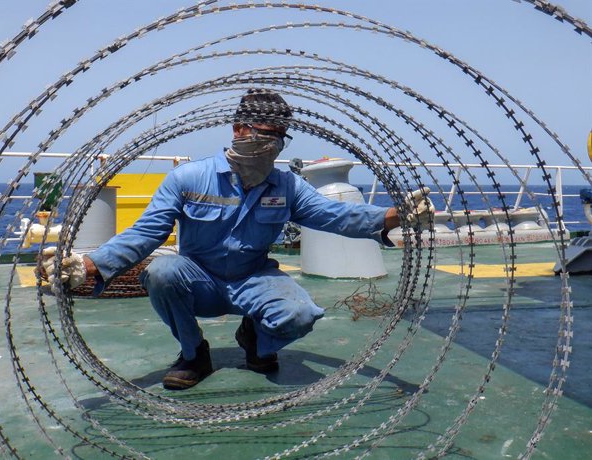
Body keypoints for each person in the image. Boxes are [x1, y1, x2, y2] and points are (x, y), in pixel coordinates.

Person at [41, 89, 434, 390]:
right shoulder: (187, 178)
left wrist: (393, 216)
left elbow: (334, 216)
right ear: (239, 130)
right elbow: (146, 233)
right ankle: (194, 355)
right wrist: (91, 265)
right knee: (161, 272)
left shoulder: (287, 185)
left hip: (254, 277)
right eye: (263, 134)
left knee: (300, 315)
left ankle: (256, 343)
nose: (270, 144)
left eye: (279, 137)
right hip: (199, 278)